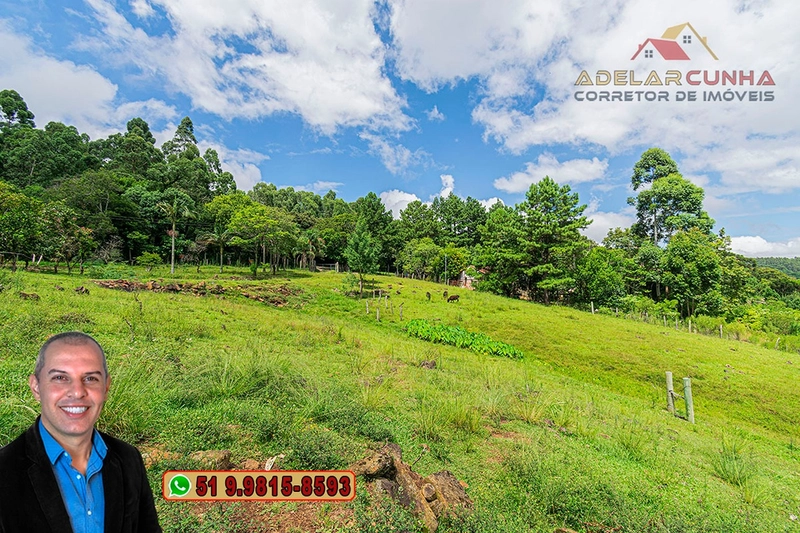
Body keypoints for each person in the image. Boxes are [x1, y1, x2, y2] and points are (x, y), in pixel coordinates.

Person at [0, 331, 161, 533]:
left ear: (106, 387)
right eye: (60, 377)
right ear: (36, 387)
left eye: (90, 378)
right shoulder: (4, 470)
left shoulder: (129, 459)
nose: (77, 392)